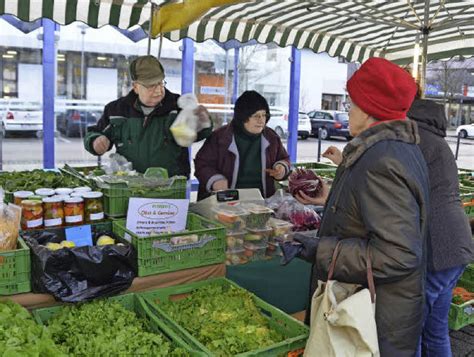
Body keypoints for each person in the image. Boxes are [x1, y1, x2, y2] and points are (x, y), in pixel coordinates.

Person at [293, 57, 430, 356]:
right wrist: (331, 200)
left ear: (370, 110)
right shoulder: (390, 150)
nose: (348, 110)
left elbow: (399, 254)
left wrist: (322, 251)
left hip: (375, 318)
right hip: (377, 309)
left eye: (351, 103)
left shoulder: (382, 159)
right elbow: (374, 215)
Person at [407, 98, 473, 357]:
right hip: (456, 247)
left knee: (409, 332)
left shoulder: (416, 142)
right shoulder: (437, 141)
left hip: (438, 249)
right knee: (435, 330)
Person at [84, 55, 212, 176]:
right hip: (129, 185)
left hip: (171, 188)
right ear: (136, 87)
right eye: (151, 86)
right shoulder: (116, 110)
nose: (158, 90)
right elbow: (95, 133)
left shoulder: (178, 107)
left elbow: (200, 134)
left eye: (160, 83)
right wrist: (95, 141)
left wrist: (203, 122)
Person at [194, 90, 290, 200]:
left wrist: (281, 167)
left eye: (264, 115)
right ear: (243, 117)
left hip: (262, 203)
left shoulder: (271, 137)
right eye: (256, 116)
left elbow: (284, 158)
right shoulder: (220, 137)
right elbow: (202, 163)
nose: (261, 120)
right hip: (225, 202)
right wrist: (215, 180)